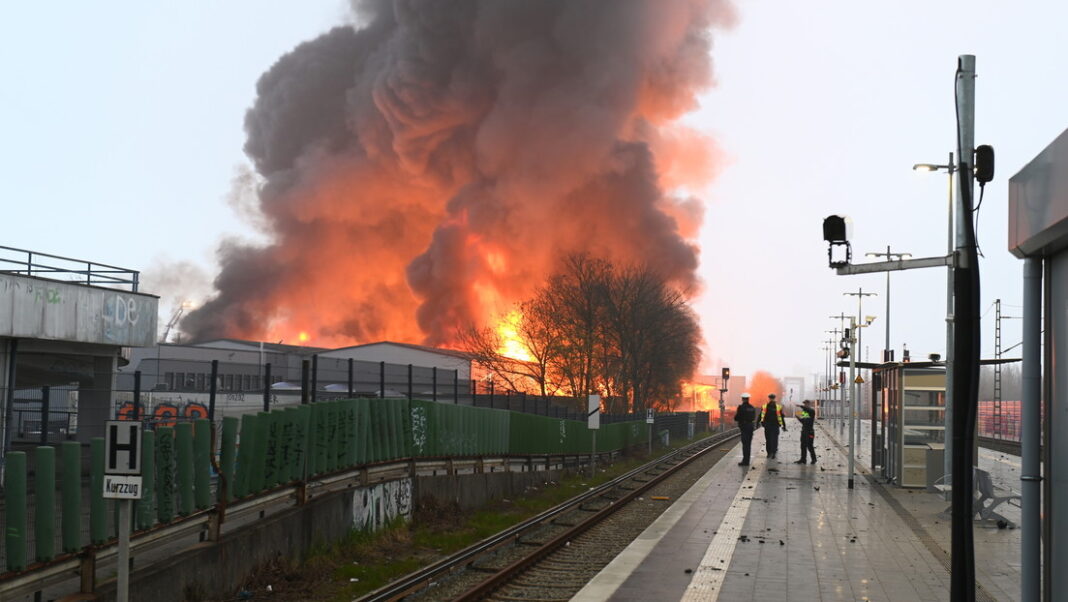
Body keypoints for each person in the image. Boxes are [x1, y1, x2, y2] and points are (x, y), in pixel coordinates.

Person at [760, 393, 786, 459]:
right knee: (774, 439)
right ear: (774, 398)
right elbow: (781, 417)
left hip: (768, 426)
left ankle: (769, 453)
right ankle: (773, 453)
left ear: (769, 398)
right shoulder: (778, 406)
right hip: (774, 426)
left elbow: (761, 415)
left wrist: (760, 423)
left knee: (768, 439)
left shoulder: (765, 406)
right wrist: (784, 426)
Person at [734, 393, 758, 466]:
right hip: (750, 426)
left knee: (745, 444)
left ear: (742, 399)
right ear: (748, 399)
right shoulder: (752, 407)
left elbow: (736, 418)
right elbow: (753, 417)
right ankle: (747, 460)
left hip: (744, 427)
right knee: (748, 444)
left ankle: (745, 461)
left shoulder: (741, 407)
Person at [794, 399, 817, 464]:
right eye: (804, 404)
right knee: (803, 445)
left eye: (806, 404)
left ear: (809, 404)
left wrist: (800, 406)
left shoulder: (812, 411)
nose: (805, 405)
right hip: (804, 431)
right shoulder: (805, 412)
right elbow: (804, 422)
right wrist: (798, 418)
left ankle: (814, 459)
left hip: (810, 432)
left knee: (810, 446)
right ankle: (803, 459)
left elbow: (808, 410)